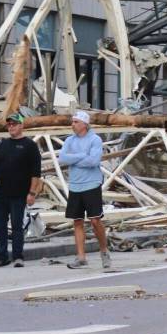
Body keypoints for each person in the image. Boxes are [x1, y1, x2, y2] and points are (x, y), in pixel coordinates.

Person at [0, 113, 42, 268]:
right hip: (1, 194)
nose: (11, 127)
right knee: (0, 226)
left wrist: (32, 193)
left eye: (15, 124)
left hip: (19, 195)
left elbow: (36, 173)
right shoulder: (2, 145)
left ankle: (18, 256)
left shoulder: (30, 146)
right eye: (9, 124)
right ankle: (1, 256)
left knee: (17, 227)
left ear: (21, 125)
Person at [59, 110, 112, 270]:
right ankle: (81, 257)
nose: (72, 124)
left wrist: (74, 159)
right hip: (75, 184)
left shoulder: (95, 139)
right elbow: (62, 158)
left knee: (95, 220)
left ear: (84, 124)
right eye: (72, 121)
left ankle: (104, 251)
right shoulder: (69, 140)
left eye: (75, 122)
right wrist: (82, 155)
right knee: (77, 221)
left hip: (91, 183)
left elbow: (94, 161)